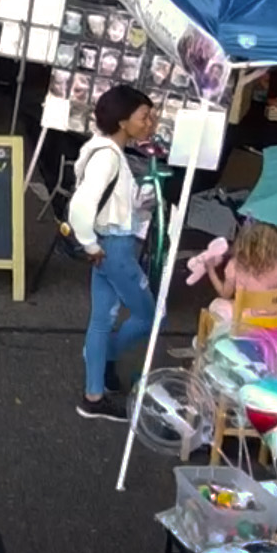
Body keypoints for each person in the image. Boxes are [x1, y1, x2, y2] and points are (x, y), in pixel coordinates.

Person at [72, 85, 159, 421]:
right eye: (144, 117)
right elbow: (82, 205)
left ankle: (94, 394)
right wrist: (90, 245)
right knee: (151, 316)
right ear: (123, 122)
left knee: (101, 319)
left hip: (105, 244)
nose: (149, 123)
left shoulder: (102, 150)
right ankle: (103, 357)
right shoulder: (109, 157)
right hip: (113, 248)